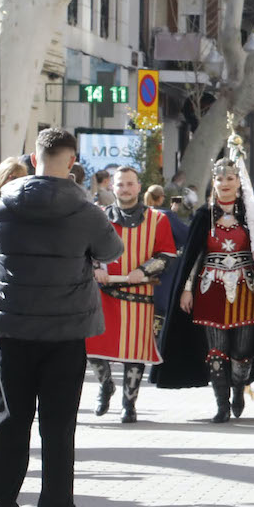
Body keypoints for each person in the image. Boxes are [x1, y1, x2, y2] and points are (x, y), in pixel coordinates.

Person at [0, 128, 122, 507]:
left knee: (7, 419)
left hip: (11, 326)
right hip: (66, 327)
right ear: (71, 162)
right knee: (58, 425)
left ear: (34, 157)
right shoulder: (89, 212)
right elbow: (111, 252)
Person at [158, 159, 254, 422]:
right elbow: (194, 256)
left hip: (246, 288)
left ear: (239, 182)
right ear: (213, 183)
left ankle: (238, 389)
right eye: (220, 179)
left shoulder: (251, 214)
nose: (224, 184)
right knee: (216, 351)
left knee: (241, 353)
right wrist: (187, 289)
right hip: (209, 288)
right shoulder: (205, 215)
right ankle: (222, 404)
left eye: (230, 179)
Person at [83, 166, 179, 424]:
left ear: (138, 186)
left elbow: (167, 254)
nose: (125, 189)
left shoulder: (158, 219)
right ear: (113, 188)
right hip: (103, 293)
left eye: (129, 184)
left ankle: (129, 404)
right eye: (120, 184)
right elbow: (86, 250)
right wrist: (97, 268)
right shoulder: (99, 217)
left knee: (135, 351)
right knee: (92, 347)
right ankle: (105, 385)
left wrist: (143, 270)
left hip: (139, 294)